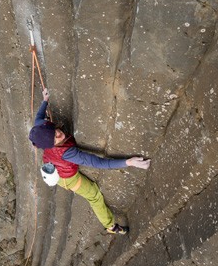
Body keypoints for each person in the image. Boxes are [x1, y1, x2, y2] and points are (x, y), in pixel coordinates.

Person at [30, 89, 150, 234]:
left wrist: (45, 100)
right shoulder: (69, 153)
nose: (58, 134)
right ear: (49, 144)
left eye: (53, 131)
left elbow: (39, 116)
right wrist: (128, 162)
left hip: (54, 165)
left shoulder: (41, 127)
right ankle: (111, 226)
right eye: (54, 138)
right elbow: (97, 163)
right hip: (67, 178)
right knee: (94, 195)